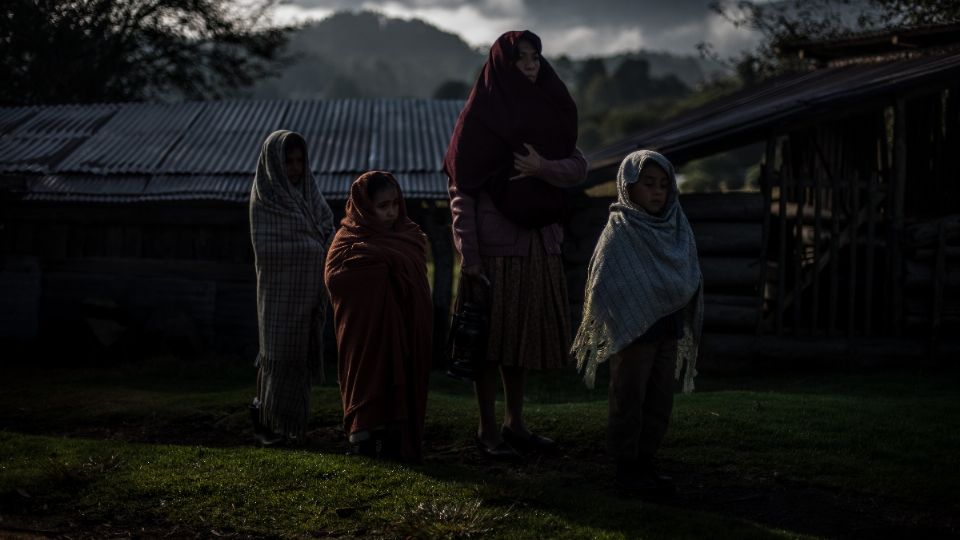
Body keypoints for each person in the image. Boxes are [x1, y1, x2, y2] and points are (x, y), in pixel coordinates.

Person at [443, 30, 588, 460]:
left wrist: (542, 167)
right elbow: (461, 192)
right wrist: (468, 256)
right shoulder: (480, 118)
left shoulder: (549, 109)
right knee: (490, 343)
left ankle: (515, 423)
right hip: (495, 251)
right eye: (521, 59)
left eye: (535, 57)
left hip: (538, 243)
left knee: (519, 342)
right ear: (502, 65)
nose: (530, 65)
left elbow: (579, 166)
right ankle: (488, 430)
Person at [571, 150, 703, 497]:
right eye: (648, 184)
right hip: (632, 333)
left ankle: (646, 461)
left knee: (659, 400)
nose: (657, 192)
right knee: (629, 397)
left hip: (668, 328)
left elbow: (688, 270)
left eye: (663, 184)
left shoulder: (676, 225)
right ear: (628, 186)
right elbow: (603, 282)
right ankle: (625, 467)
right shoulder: (620, 231)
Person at [324, 171, 433, 463]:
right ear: (364, 206)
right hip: (366, 333)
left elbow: (419, 283)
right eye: (382, 206)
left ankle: (397, 440)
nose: (391, 212)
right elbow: (334, 277)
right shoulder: (348, 239)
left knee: (400, 379)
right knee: (369, 373)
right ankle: (364, 437)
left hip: (404, 328)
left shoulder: (409, 236)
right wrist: (373, 266)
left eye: (395, 204)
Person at [249, 130, 335, 447]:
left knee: (297, 360)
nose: (296, 168)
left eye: (300, 161)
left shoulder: (309, 194)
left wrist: (318, 247)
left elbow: (328, 229)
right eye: (289, 162)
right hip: (279, 296)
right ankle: (267, 422)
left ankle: (291, 426)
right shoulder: (266, 200)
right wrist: (312, 248)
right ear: (274, 164)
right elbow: (271, 249)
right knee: (278, 357)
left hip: (308, 297)